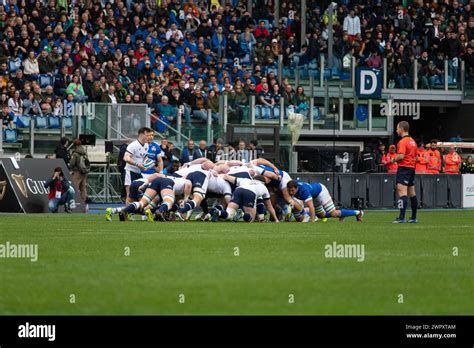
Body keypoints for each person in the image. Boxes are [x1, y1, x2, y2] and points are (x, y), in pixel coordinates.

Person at [286, 180, 363, 223]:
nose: (291, 192)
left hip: (321, 192)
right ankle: (342, 214)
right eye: (289, 191)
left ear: (297, 188)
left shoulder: (304, 191)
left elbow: (311, 207)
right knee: (321, 215)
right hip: (314, 195)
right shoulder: (292, 187)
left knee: (334, 213)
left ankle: (358, 212)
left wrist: (312, 221)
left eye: (292, 190)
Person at [391, 121, 418, 223]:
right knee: (412, 193)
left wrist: (394, 159)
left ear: (402, 129)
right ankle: (413, 217)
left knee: (401, 192)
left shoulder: (402, 142)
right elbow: (415, 157)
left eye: (397, 128)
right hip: (411, 168)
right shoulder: (413, 141)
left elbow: (401, 156)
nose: (396, 130)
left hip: (404, 168)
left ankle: (401, 217)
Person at [122, 127, 153, 196]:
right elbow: (126, 158)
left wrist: (147, 164)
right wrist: (137, 164)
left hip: (138, 172)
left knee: (139, 193)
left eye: (152, 135)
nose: (151, 137)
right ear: (143, 134)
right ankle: (128, 207)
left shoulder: (146, 145)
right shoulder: (133, 145)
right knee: (129, 194)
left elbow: (144, 157)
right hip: (130, 171)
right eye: (149, 135)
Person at [69, 139, 90, 203]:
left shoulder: (75, 153)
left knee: (74, 187)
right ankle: (83, 201)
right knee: (83, 188)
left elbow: (72, 164)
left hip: (77, 171)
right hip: (84, 171)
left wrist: (70, 166)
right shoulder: (84, 152)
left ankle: (74, 202)